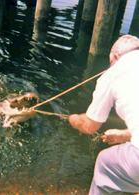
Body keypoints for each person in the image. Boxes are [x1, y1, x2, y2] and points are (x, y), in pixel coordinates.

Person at [69, 34, 139, 195]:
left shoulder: (113, 73)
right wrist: (126, 134)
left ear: (115, 56)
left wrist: (72, 119)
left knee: (105, 162)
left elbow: (89, 126)